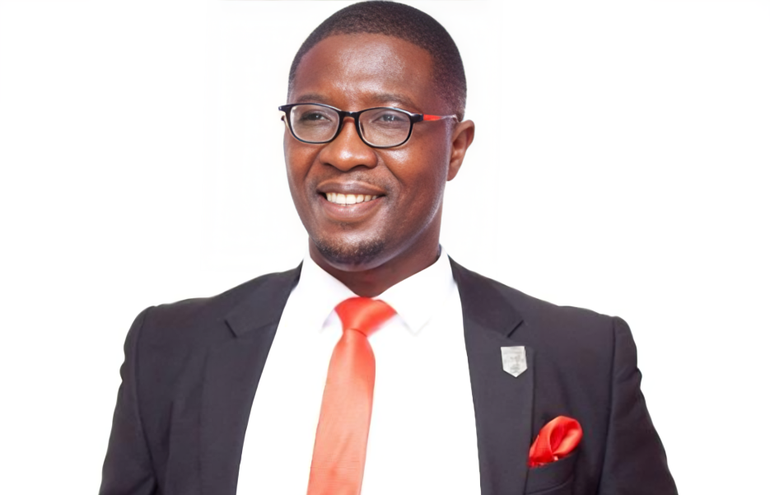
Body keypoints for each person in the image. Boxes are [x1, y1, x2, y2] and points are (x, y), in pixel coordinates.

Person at [100, 2, 677, 494]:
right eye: (315, 117)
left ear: (456, 147)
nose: (343, 152)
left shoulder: (581, 357)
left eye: (386, 120)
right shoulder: (170, 348)